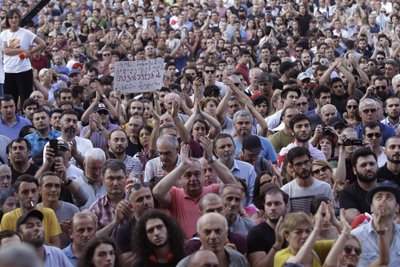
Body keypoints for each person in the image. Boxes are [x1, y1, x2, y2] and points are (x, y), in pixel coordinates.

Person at [153, 138, 236, 238]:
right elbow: (157, 192)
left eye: (197, 174)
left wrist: (211, 160)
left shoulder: (213, 190)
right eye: (188, 175)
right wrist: (182, 166)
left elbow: (233, 185)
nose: (193, 179)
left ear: (203, 176)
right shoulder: (175, 194)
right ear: (180, 179)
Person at [0, 174, 61, 247]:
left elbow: (57, 247)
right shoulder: (8, 218)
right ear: (16, 195)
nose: (30, 196)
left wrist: (37, 240)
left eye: (33, 191)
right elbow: (3, 247)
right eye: (25, 192)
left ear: (38, 191)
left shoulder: (49, 213)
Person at [0, 9, 46, 106]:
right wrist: (22, 50)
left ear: (19, 19)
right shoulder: (4, 34)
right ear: (8, 20)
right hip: (8, 71)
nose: (13, 20)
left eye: (16, 17)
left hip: (24, 71)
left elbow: (42, 43)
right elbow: (6, 51)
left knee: (26, 100)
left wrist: (30, 52)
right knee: (10, 101)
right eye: (11, 18)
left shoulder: (26, 33)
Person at [351, 180, 400, 266]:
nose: (384, 200)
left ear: (397, 207)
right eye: (379, 197)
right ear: (371, 208)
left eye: (389, 197)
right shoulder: (356, 236)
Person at [177, 212, 250, 267]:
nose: (213, 236)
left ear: (226, 234)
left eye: (218, 231)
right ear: (199, 235)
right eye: (207, 232)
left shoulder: (238, 260)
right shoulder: (186, 264)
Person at [281, 147, 333, 213]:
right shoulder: (286, 191)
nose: (304, 167)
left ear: (311, 162)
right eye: (298, 164)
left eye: (306, 162)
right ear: (291, 167)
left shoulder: (325, 188)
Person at [247, 187, 290, 267]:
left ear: (286, 207)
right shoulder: (256, 233)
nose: (273, 208)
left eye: (277, 203)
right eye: (269, 204)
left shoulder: (294, 229)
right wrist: (277, 244)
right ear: (264, 207)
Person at [89, 159, 130, 237]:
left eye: (119, 178)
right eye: (111, 178)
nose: (115, 183)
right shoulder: (95, 209)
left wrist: (131, 219)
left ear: (126, 179)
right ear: (103, 180)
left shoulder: (135, 202)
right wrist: (115, 222)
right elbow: (91, 239)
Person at [339, 148, 379, 223]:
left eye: (372, 164)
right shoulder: (347, 194)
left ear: (378, 165)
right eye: (363, 165)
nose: (368, 168)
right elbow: (356, 222)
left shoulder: (389, 187)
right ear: (354, 170)